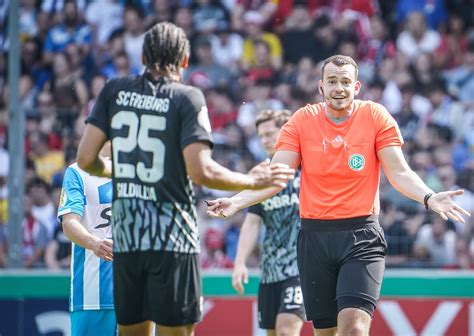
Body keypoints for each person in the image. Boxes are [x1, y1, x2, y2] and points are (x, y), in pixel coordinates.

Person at [207, 55, 471, 336]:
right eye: (332, 81)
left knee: (354, 327)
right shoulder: (302, 120)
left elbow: (400, 173)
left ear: (357, 87)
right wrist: (236, 201)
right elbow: (277, 176)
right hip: (315, 238)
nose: (339, 88)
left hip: (362, 236)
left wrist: (429, 197)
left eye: (345, 82)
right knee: (327, 333)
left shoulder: (375, 116)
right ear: (320, 87)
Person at [75, 22, 294, 336]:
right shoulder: (187, 97)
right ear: (185, 61)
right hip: (172, 239)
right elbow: (201, 170)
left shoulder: (114, 89)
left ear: (143, 54)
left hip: (128, 239)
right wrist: (250, 180)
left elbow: (86, 160)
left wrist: (119, 169)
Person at [232, 109, 304, 335]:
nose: (266, 140)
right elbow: (252, 222)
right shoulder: (264, 177)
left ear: (286, 131)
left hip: (300, 267)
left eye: (271, 133)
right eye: (261, 135)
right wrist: (240, 262)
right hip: (270, 269)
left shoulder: (306, 169)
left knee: (286, 330)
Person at [57, 143, 115, 336]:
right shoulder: (78, 172)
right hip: (93, 295)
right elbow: (69, 223)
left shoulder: (143, 172)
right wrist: (94, 243)